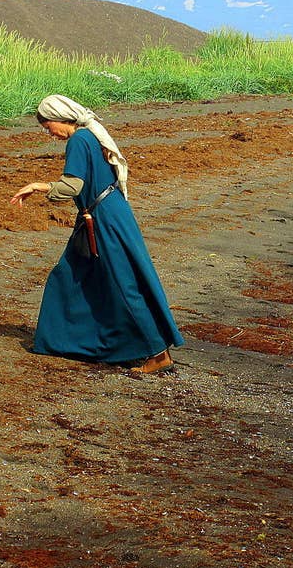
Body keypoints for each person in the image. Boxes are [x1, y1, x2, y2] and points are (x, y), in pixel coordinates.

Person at [10, 94, 183, 373]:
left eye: (47, 126)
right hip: (108, 212)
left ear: (60, 118)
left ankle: (157, 353)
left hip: (104, 218)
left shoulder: (79, 139)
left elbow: (71, 187)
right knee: (70, 276)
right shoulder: (89, 135)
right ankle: (66, 342)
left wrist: (37, 186)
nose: (48, 133)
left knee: (124, 283)